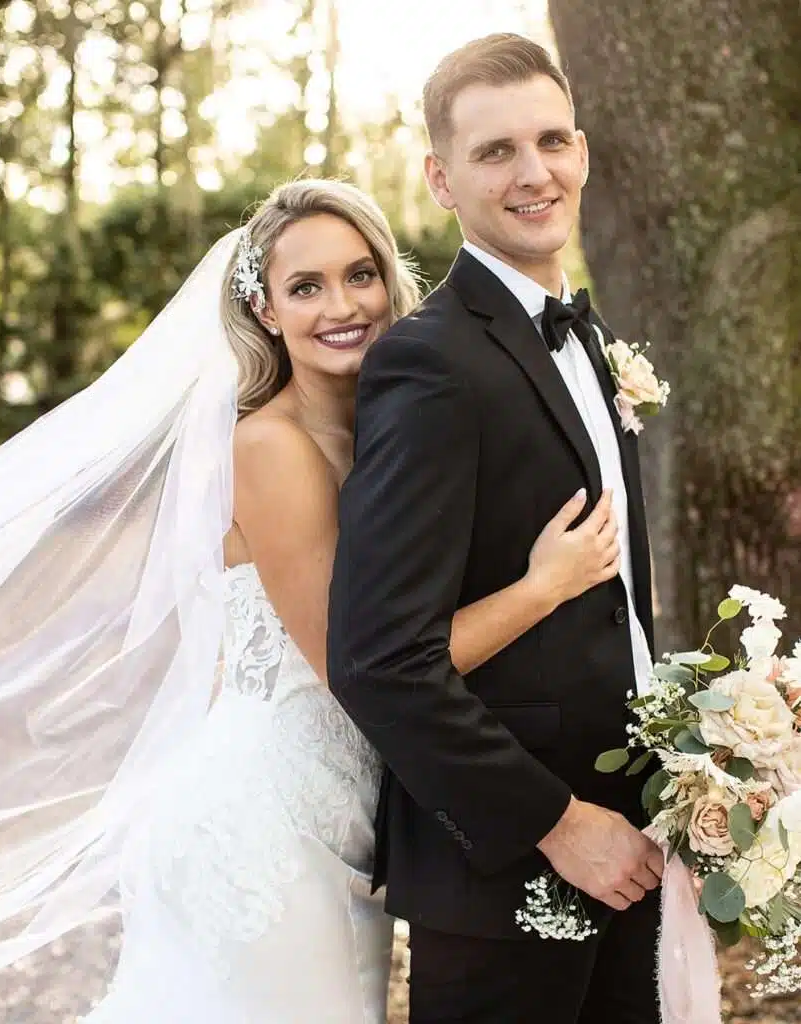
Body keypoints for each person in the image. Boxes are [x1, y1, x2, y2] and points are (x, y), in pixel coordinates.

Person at [0, 178, 620, 1022]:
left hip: (346, 826)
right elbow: (354, 667)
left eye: (359, 275)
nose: (341, 305)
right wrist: (543, 587)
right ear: (266, 311)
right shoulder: (268, 446)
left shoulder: (396, 426)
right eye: (305, 287)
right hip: (263, 828)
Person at [327, 35, 665, 1024]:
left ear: (585, 153)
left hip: (636, 839)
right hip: (509, 872)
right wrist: (557, 824)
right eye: (495, 152)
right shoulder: (427, 365)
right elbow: (382, 658)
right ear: (440, 178)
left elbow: (615, 615)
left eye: (551, 141)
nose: (534, 173)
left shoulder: (588, 337)